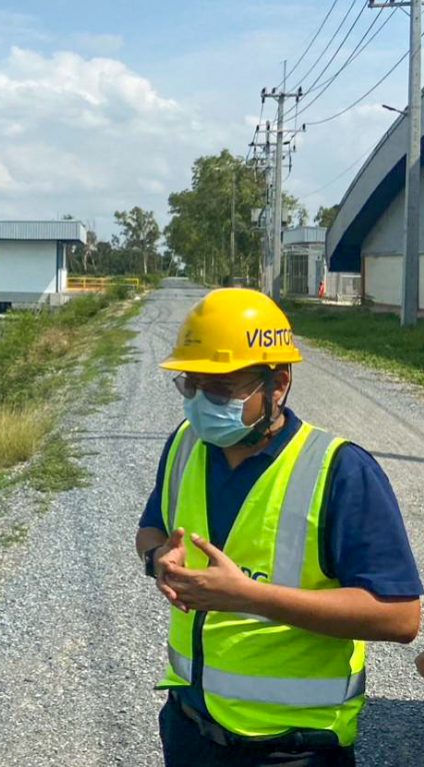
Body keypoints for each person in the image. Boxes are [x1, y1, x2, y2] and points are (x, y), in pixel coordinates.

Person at [135, 288, 421, 767]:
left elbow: (399, 617)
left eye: (223, 387)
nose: (203, 403)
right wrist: (157, 559)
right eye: (192, 385)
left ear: (279, 384)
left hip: (293, 751)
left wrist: (248, 595)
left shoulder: (340, 471)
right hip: (189, 731)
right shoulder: (186, 445)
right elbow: (151, 530)